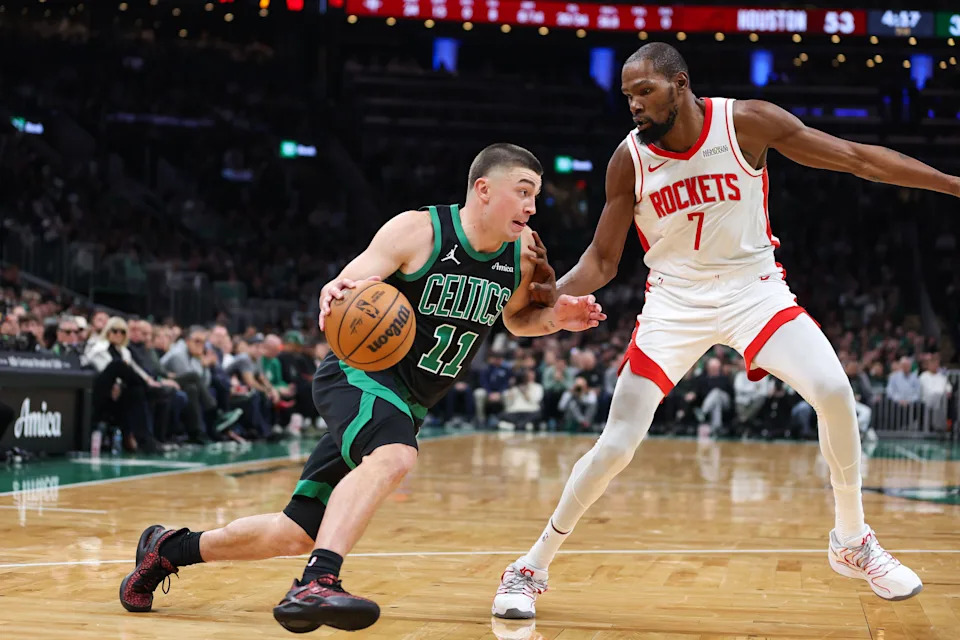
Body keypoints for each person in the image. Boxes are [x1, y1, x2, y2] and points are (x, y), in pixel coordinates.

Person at [492, 43, 959, 619]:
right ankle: (530, 567)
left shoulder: (746, 123)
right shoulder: (628, 159)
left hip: (753, 292)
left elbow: (857, 157)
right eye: (628, 96)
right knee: (616, 445)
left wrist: (954, 185)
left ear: (680, 84)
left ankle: (852, 540)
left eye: (645, 92)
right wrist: (553, 293)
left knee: (836, 392)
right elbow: (604, 259)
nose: (634, 105)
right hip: (674, 304)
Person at [118, 143, 606, 632]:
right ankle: (317, 581)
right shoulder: (419, 230)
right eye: (524, 192)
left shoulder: (521, 252)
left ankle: (167, 548)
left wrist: (555, 319)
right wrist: (335, 288)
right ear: (483, 189)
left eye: (536, 196)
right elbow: (352, 281)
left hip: (407, 402)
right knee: (397, 456)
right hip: (357, 375)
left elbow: (519, 320)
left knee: (294, 532)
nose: (532, 206)